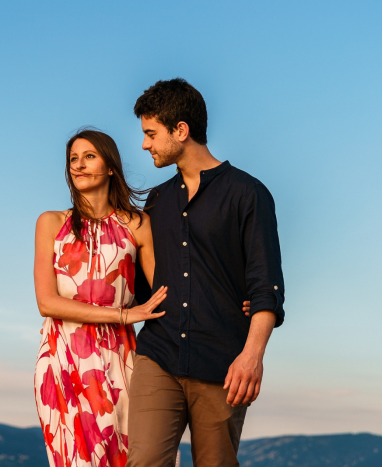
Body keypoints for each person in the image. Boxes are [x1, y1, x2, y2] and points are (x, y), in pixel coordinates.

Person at [127, 78, 286, 467]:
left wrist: (252, 356)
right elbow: (140, 282)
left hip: (222, 362)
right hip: (158, 355)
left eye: (151, 133)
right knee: (144, 461)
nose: (145, 144)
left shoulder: (248, 194)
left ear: (180, 131)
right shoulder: (157, 201)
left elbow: (266, 286)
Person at [33, 129, 168, 467]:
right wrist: (123, 315)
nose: (78, 165)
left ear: (111, 167)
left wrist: (236, 300)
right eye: (73, 159)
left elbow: (169, 292)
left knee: (132, 455)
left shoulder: (137, 224)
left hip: (120, 358)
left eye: (89, 156)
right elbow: (46, 303)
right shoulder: (51, 223)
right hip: (62, 359)